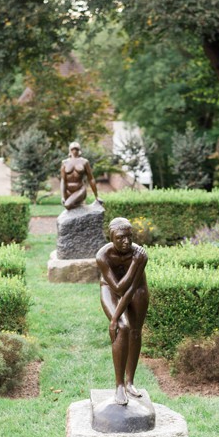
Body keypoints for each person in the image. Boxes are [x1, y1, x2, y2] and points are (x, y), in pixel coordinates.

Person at [96, 217, 148, 405]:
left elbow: (131, 288)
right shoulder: (103, 256)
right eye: (120, 238)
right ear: (111, 238)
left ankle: (130, 382)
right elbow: (117, 289)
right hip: (110, 288)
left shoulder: (140, 255)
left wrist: (135, 263)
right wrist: (115, 319)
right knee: (121, 327)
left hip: (137, 289)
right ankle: (119, 386)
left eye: (129, 237)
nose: (126, 241)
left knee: (135, 331)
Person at [60, 141, 100, 210]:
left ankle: (83, 209)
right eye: (73, 149)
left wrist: (96, 196)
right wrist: (63, 196)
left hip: (80, 189)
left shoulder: (84, 162)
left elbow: (91, 179)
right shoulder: (65, 162)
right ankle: (82, 209)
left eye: (76, 149)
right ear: (70, 150)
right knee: (68, 206)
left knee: (67, 205)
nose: (74, 151)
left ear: (79, 150)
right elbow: (63, 180)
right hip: (68, 192)